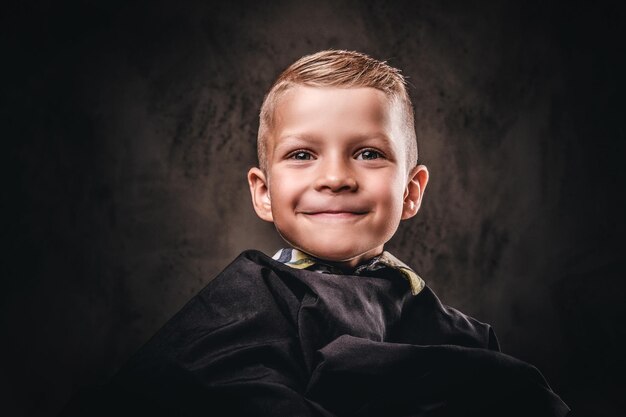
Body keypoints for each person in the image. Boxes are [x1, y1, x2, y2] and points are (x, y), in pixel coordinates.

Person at [61, 50, 569, 416]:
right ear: (263, 192)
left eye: (368, 153)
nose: (335, 177)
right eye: (302, 155)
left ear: (412, 191)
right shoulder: (246, 302)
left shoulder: (459, 330)